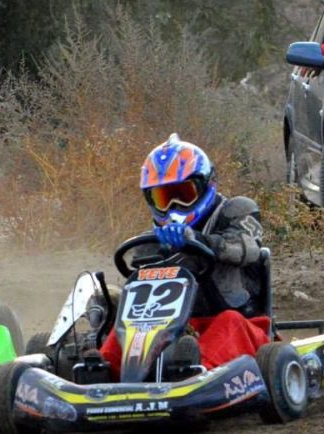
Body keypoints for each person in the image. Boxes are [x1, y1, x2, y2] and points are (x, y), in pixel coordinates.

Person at [98, 133, 271, 380]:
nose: (173, 207)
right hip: (175, 330)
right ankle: (103, 369)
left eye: (182, 194)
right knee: (129, 328)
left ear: (205, 185)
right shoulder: (154, 239)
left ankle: (198, 374)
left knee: (228, 322)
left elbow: (247, 248)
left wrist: (199, 241)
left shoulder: (236, 211)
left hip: (240, 324)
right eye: (164, 198)